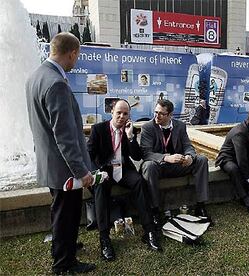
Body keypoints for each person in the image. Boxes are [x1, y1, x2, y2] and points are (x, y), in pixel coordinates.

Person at [25, 32, 96, 274]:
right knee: (66, 212)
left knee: (60, 210)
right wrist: (82, 171)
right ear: (72, 53)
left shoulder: (35, 76)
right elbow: (64, 137)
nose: (77, 60)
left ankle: (65, 245)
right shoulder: (56, 83)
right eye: (78, 55)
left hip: (49, 162)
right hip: (64, 167)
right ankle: (64, 263)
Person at [87, 99, 162, 260]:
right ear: (111, 112)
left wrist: (130, 137)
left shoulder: (129, 130)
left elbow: (136, 156)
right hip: (105, 170)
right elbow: (89, 156)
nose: (121, 116)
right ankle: (104, 238)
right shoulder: (98, 129)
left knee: (140, 182)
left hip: (124, 169)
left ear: (129, 115)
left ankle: (149, 231)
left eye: (125, 113)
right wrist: (97, 172)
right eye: (118, 113)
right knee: (100, 186)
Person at [140, 99, 210, 226]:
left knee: (202, 160)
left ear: (170, 115)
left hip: (179, 165)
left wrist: (189, 156)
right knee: (148, 166)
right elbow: (146, 153)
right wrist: (166, 158)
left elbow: (188, 146)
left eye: (161, 113)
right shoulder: (148, 127)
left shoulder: (180, 126)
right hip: (158, 167)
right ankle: (154, 210)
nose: (157, 116)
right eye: (155, 112)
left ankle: (201, 205)